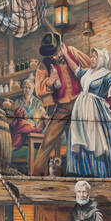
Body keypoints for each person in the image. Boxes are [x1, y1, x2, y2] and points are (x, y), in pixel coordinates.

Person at [33, 32, 91, 175]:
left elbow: (90, 69)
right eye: (51, 54)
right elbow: (38, 89)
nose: (54, 57)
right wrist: (50, 81)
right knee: (47, 142)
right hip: (62, 107)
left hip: (80, 105)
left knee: (83, 142)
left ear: (61, 46)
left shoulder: (72, 52)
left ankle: (82, 176)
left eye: (56, 52)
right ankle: (33, 176)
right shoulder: (44, 64)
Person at [66, 46, 111, 179]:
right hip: (80, 108)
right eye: (92, 56)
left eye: (95, 57)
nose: (92, 59)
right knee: (80, 137)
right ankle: (82, 171)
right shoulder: (87, 72)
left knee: (94, 140)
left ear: (101, 60)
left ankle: (97, 171)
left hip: (95, 109)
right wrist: (66, 54)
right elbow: (76, 70)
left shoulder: (107, 74)